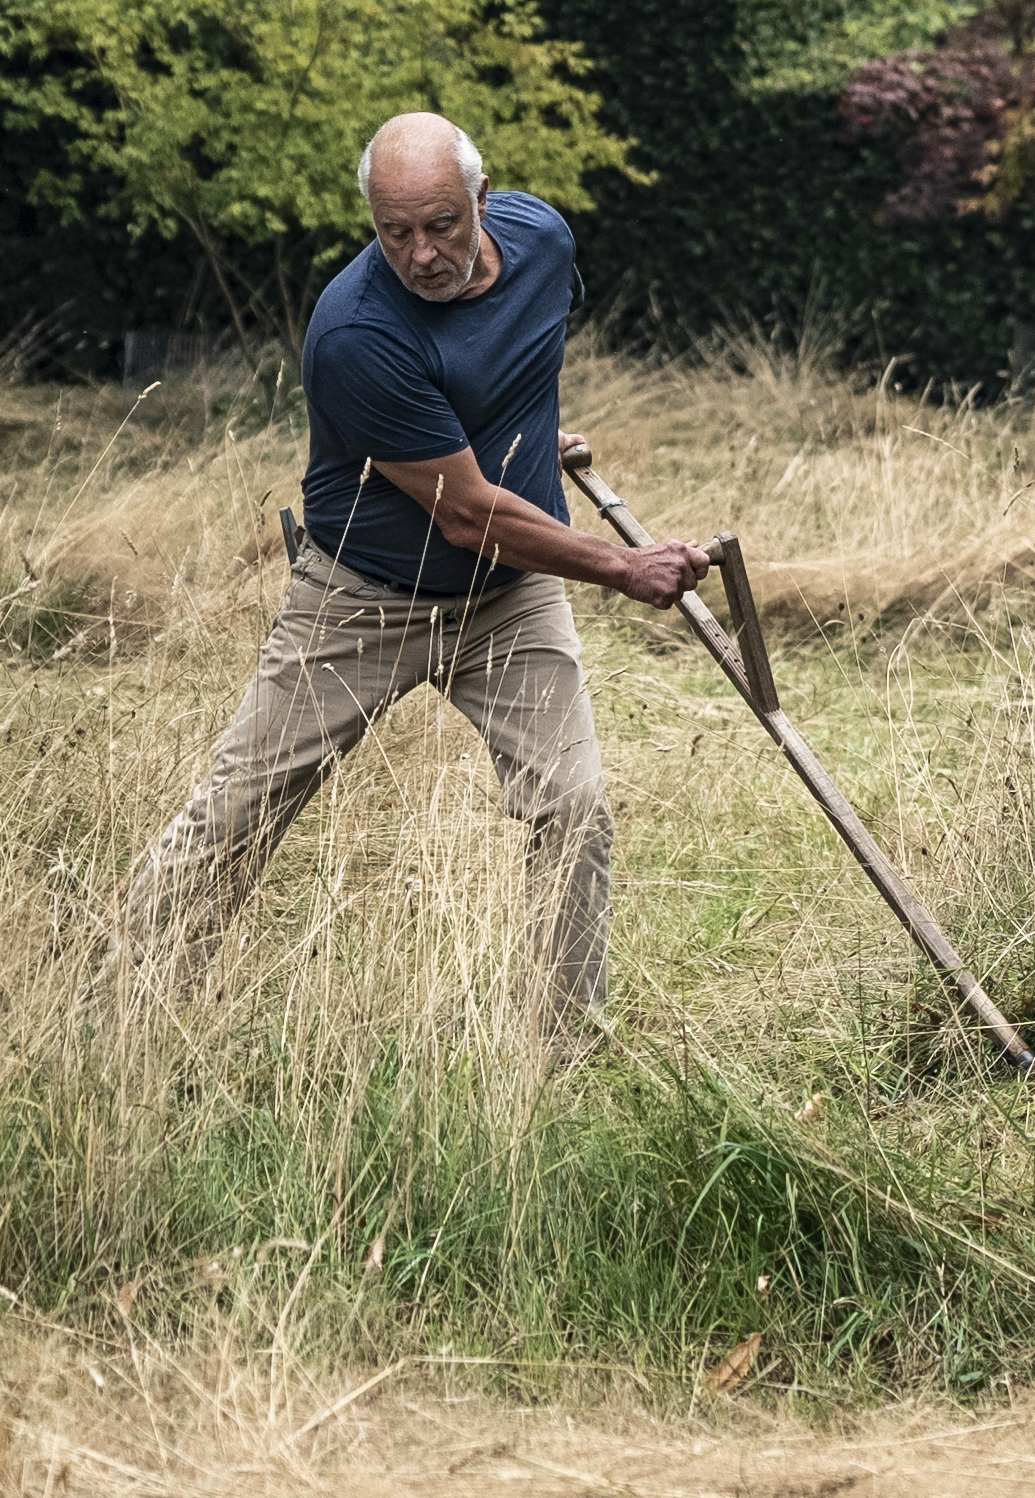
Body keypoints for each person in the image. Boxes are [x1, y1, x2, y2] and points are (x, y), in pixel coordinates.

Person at [122, 112, 709, 1037]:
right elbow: (469, 513)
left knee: (576, 808)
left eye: (440, 223)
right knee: (236, 813)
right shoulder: (354, 333)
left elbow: (520, 352)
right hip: (362, 598)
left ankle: (563, 1054)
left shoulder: (544, 240)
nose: (422, 253)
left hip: (507, 600)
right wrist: (623, 564)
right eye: (394, 232)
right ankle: (125, 1013)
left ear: (483, 200)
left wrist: (526, 432)